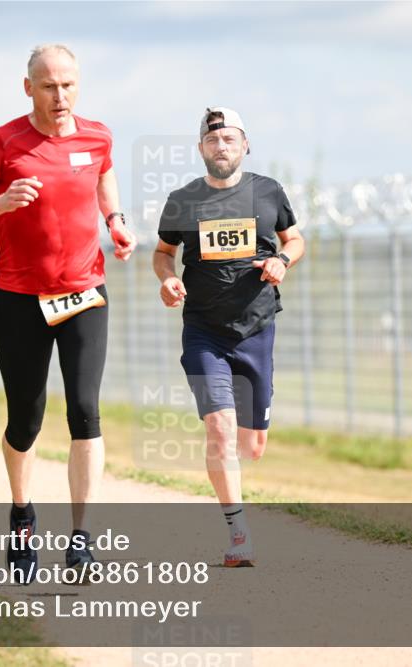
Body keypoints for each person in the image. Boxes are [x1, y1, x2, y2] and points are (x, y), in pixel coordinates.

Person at [0, 44, 136, 583]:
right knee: (25, 421)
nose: (60, 96)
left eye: (68, 85)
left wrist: (115, 219)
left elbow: (103, 174)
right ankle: (22, 514)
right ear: (28, 88)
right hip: (20, 298)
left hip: (84, 293)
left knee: (85, 410)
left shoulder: (97, 136)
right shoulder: (2, 143)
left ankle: (82, 540)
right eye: (48, 86)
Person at [153, 107, 305, 567]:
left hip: (256, 328)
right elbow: (163, 253)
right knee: (219, 430)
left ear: (245, 145)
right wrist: (167, 278)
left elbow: (295, 239)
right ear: (201, 148)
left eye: (230, 139)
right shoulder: (182, 200)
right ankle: (239, 534)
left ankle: (234, 465)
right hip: (204, 332)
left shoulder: (268, 191)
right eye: (213, 139)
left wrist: (282, 261)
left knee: (251, 446)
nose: (221, 146)